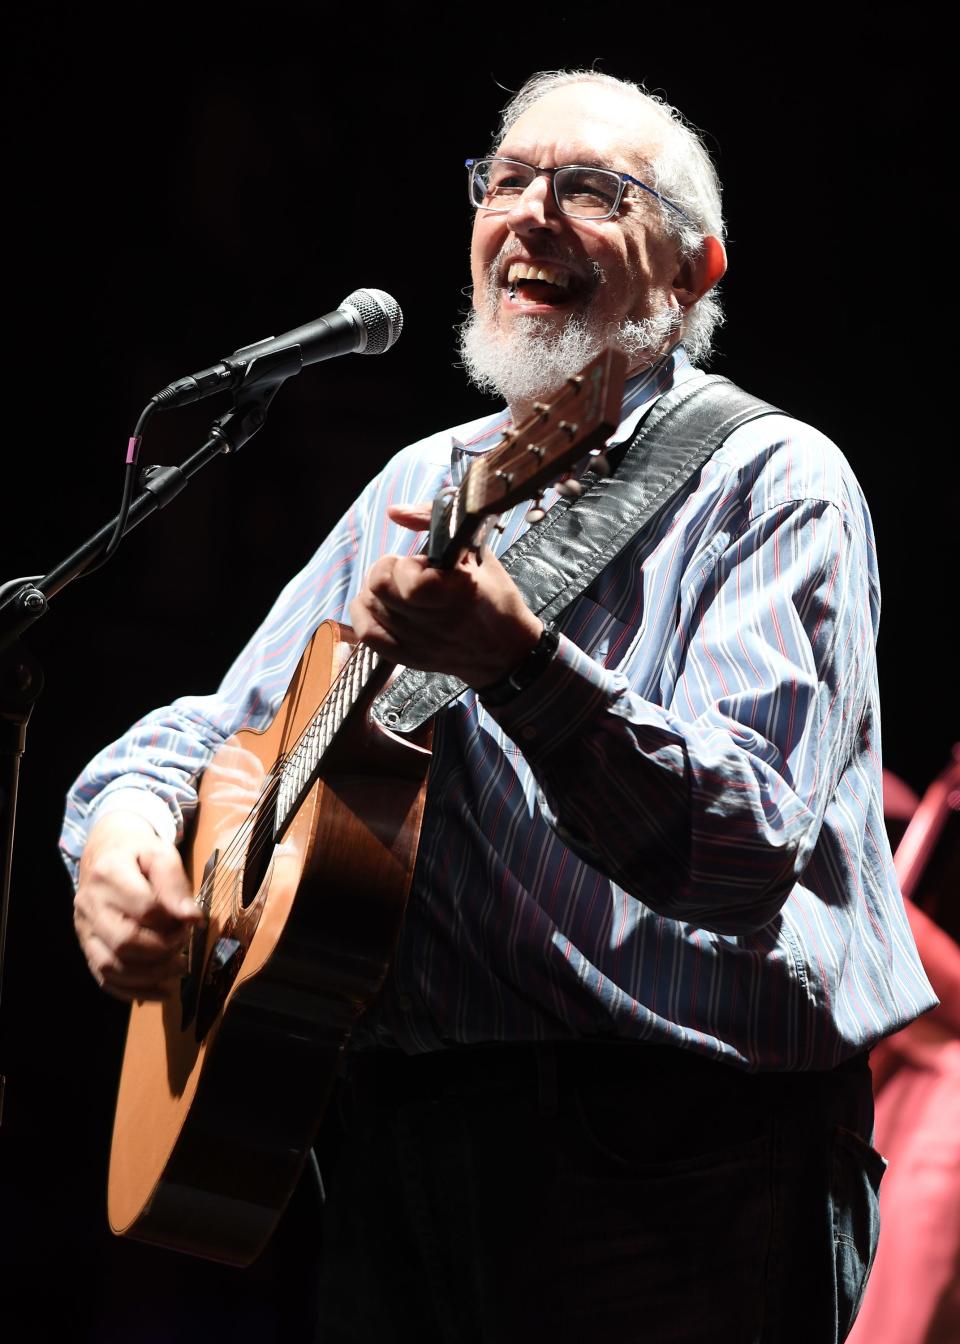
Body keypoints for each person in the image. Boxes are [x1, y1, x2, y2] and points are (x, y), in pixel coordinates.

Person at [61, 70, 937, 1343]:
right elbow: (217, 729)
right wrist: (119, 832)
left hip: (672, 1163)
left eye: (592, 191)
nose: (532, 214)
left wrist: (525, 672)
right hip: (396, 1141)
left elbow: (746, 849)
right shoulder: (429, 481)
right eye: (509, 182)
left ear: (694, 275)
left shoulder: (773, 479)